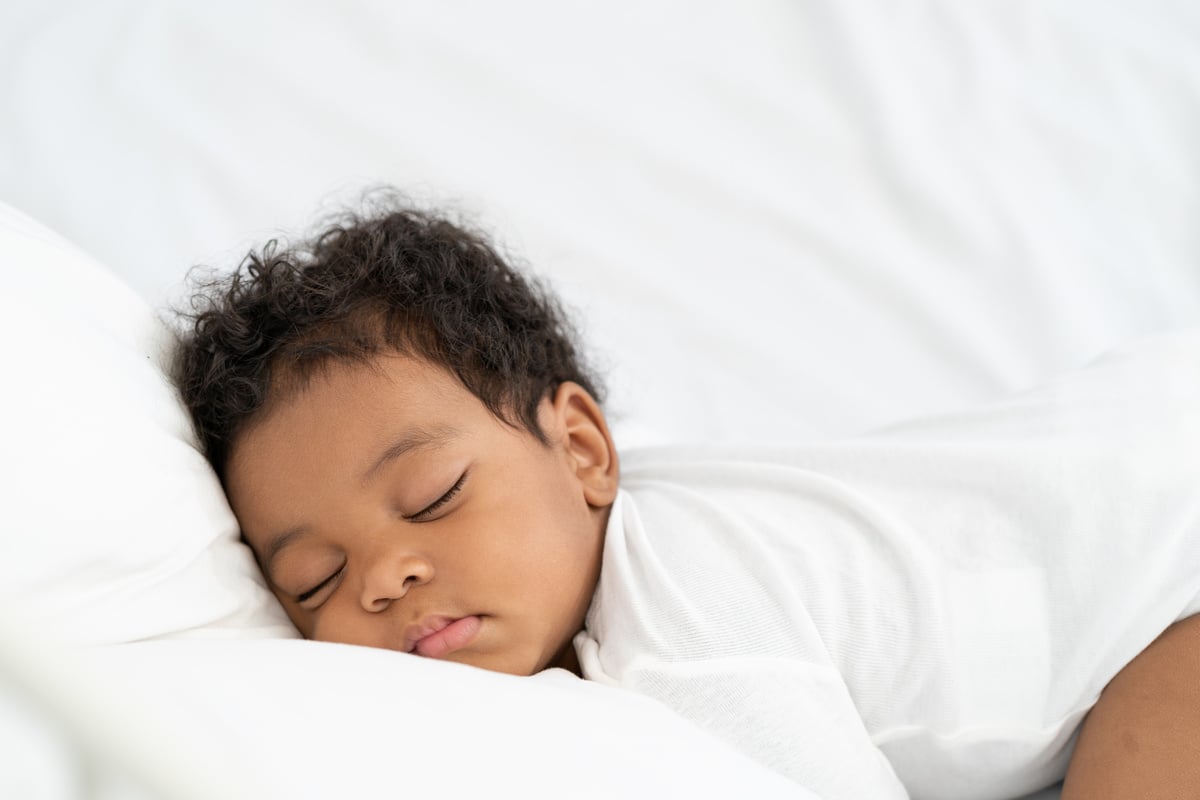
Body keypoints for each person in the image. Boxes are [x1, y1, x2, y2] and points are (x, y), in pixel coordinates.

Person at [173, 196, 1200, 800]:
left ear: (582, 448)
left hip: (1164, 574)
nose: (386, 573)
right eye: (316, 579)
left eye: (432, 495)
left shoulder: (682, 615)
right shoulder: (580, 532)